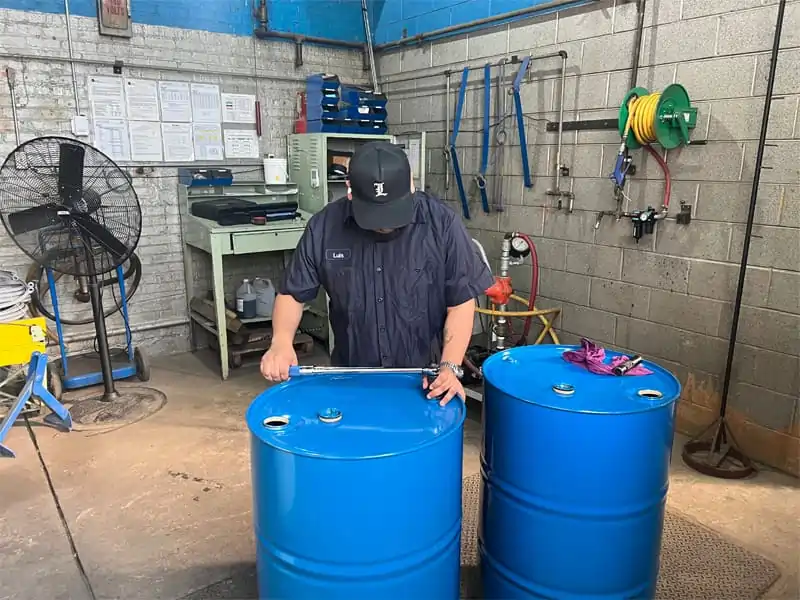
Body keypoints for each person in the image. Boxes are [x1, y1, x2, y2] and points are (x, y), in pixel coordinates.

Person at [260, 141, 493, 405]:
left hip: (425, 382)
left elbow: (461, 302)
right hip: (351, 377)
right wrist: (281, 342)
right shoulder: (324, 228)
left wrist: (449, 366)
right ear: (350, 190)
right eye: (375, 214)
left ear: (411, 185)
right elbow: (293, 293)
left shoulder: (442, 225)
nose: (384, 224)